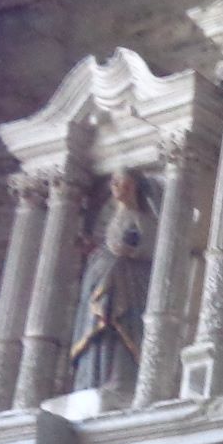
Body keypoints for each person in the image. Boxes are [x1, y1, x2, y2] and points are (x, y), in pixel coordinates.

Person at [70, 168, 150, 392]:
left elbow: (147, 247)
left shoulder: (142, 218)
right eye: (114, 183)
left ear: (133, 187)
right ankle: (92, 378)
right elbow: (106, 244)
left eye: (123, 183)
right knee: (98, 328)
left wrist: (124, 252)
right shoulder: (109, 216)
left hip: (128, 283)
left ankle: (121, 377)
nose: (117, 189)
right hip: (99, 281)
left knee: (122, 328)